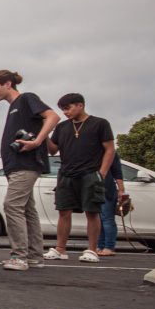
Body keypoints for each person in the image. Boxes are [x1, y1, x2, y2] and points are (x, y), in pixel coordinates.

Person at [0, 70, 59, 272]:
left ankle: (19, 256)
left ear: (8, 84)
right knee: (27, 210)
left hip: (25, 164)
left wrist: (36, 141)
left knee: (12, 205)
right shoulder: (13, 108)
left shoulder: (26, 99)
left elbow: (53, 116)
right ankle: (35, 256)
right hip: (16, 166)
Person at [46, 93, 115, 263]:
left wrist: (102, 173)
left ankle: (92, 250)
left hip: (90, 174)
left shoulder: (99, 123)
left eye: (67, 108)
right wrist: (45, 133)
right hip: (66, 174)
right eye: (62, 109)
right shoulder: (62, 127)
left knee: (92, 212)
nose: (65, 112)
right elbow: (52, 150)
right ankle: (60, 249)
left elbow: (110, 149)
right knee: (63, 211)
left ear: (80, 105)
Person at [98, 152, 126, 257]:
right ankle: (101, 246)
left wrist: (121, 190)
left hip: (106, 189)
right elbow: (117, 171)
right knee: (100, 220)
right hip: (100, 188)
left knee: (106, 219)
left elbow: (117, 172)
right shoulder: (109, 152)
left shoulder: (110, 152)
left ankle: (108, 246)